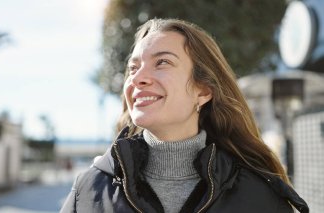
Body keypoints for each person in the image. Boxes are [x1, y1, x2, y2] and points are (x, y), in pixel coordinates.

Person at [60, 18, 309, 213]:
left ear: (203, 90)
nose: (136, 78)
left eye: (162, 63)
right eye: (133, 68)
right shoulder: (88, 191)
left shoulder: (260, 199)